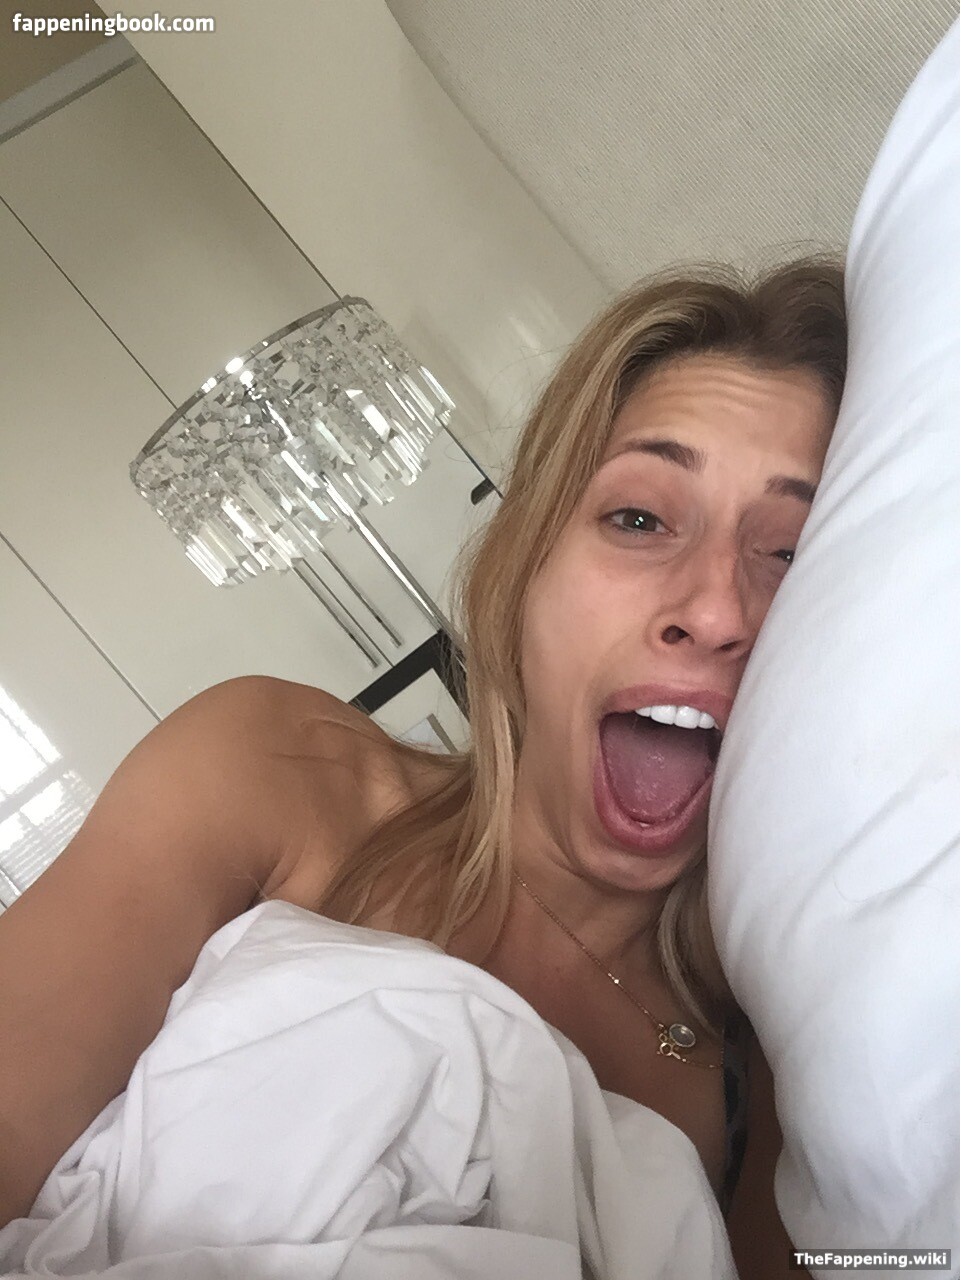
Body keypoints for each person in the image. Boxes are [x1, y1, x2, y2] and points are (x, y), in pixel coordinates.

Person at [0, 257, 845, 1278]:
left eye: (790, 553)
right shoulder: (271, 771)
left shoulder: (784, 1075)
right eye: (639, 517)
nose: (713, 610)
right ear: (522, 569)